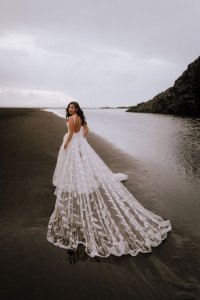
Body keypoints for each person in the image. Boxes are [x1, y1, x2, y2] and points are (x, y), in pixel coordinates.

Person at [47, 101, 171, 257]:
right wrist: (82, 139)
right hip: (80, 143)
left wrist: (66, 145)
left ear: (76, 108)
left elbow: (71, 134)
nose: (70, 109)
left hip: (73, 143)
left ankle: (72, 182)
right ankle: (79, 180)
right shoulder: (80, 118)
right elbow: (86, 128)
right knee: (80, 165)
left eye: (72, 107)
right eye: (69, 107)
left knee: (72, 165)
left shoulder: (72, 119)